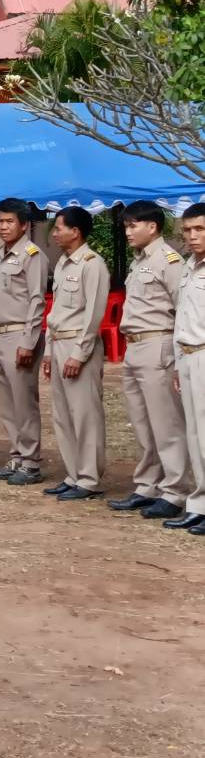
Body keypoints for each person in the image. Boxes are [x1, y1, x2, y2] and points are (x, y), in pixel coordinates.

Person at [108, 201, 190, 519]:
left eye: (132, 226)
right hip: (135, 346)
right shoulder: (140, 260)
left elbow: (182, 307)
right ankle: (147, 485)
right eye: (126, 226)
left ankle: (175, 490)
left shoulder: (168, 260)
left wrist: (177, 354)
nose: (127, 232)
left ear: (152, 227)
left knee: (165, 423)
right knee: (142, 422)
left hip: (158, 343)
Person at [42, 207, 110, 502]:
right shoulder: (63, 264)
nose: (55, 233)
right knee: (63, 414)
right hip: (58, 342)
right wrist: (47, 351)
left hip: (76, 345)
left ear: (76, 231)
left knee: (84, 414)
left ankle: (89, 478)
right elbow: (55, 311)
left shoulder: (91, 264)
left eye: (59, 228)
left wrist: (79, 354)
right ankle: (73, 474)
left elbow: (94, 313)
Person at [0, 198, 49, 485]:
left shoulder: (31, 255)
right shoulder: (1, 255)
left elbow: (37, 300)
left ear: (24, 225)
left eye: (9, 221)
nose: (3, 226)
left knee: (24, 401)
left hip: (19, 335)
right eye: (0, 221)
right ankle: (17, 456)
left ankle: (31, 462)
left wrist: (28, 341)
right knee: (7, 403)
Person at [169, 202, 205, 534]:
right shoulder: (188, 267)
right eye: (188, 230)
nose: (192, 236)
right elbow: (181, 318)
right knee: (194, 435)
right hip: (188, 355)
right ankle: (198, 504)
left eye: (200, 229)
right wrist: (178, 365)